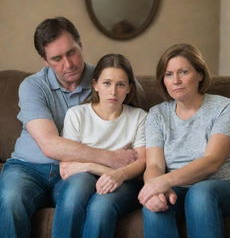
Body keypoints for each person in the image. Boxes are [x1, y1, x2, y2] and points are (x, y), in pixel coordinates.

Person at [0, 17, 137, 238]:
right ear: (44, 60)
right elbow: (50, 145)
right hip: (28, 169)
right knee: (11, 199)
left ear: (81, 45)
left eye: (71, 52)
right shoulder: (33, 86)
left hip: (77, 170)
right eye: (56, 58)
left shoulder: (105, 79)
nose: (68, 64)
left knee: (77, 192)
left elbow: (132, 109)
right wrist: (110, 157)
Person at [138, 43, 230, 238]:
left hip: (226, 188)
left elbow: (212, 162)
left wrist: (163, 182)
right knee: (154, 206)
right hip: (178, 190)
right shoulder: (156, 115)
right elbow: (155, 165)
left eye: (183, 72)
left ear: (200, 74)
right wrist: (154, 191)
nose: (176, 80)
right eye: (168, 74)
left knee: (200, 194)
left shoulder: (225, 108)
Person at [55, 53, 147, 238]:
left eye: (120, 84)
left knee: (101, 207)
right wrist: (94, 167)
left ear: (129, 87)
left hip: (125, 182)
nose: (113, 92)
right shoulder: (77, 115)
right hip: (80, 180)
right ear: (95, 85)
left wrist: (115, 174)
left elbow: (141, 163)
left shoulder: (140, 117)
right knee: (75, 193)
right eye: (107, 83)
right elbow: (66, 167)